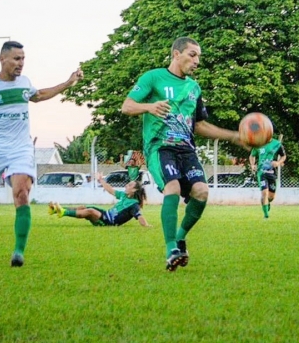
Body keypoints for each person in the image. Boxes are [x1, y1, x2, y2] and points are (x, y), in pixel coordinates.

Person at [121, 36, 243, 271]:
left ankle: (180, 238)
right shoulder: (153, 77)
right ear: (176, 54)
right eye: (192, 55)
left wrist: (234, 136)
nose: (197, 61)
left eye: (199, 57)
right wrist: (149, 107)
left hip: (186, 149)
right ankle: (171, 250)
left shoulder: (194, 88)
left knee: (201, 191)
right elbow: (127, 106)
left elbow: (199, 125)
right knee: (173, 188)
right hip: (160, 147)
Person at [0, 40, 82, 267]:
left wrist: (68, 83)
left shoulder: (25, 82)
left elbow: (40, 95)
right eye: (16, 59)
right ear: (2, 59)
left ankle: (18, 252)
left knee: (21, 193)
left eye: (23, 59)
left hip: (21, 148)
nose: (21, 63)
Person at [47, 173, 150, 227]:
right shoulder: (124, 195)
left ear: (134, 190)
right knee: (84, 207)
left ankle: (63, 212)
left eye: (130, 185)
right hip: (106, 214)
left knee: (90, 211)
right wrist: (101, 180)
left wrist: (146, 225)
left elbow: (139, 216)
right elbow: (110, 190)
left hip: (109, 222)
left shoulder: (134, 205)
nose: (127, 185)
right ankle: (56, 209)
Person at [249, 137, 286, 219]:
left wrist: (278, 163)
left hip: (272, 173)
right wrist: (252, 165)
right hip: (261, 173)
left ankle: (267, 202)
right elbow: (252, 156)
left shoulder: (277, 144)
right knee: (264, 193)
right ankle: (266, 216)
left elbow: (283, 156)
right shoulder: (258, 144)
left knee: (271, 197)